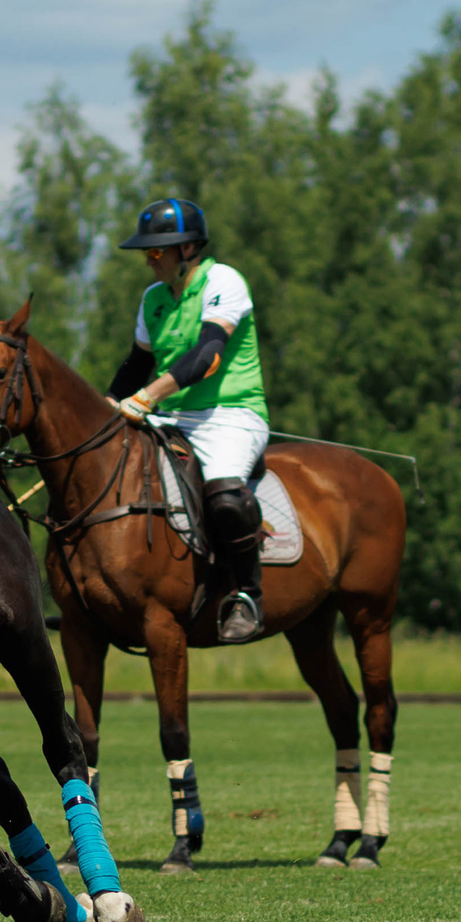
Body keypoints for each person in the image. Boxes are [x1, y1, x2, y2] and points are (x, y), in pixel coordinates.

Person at [105, 197, 270, 645]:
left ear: (189, 249)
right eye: (147, 252)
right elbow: (134, 367)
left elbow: (208, 356)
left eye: (157, 251)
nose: (149, 260)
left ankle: (246, 594)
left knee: (224, 498)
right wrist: (104, 412)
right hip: (171, 417)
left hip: (230, 415)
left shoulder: (223, 281)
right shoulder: (154, 299)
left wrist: (147, 397)